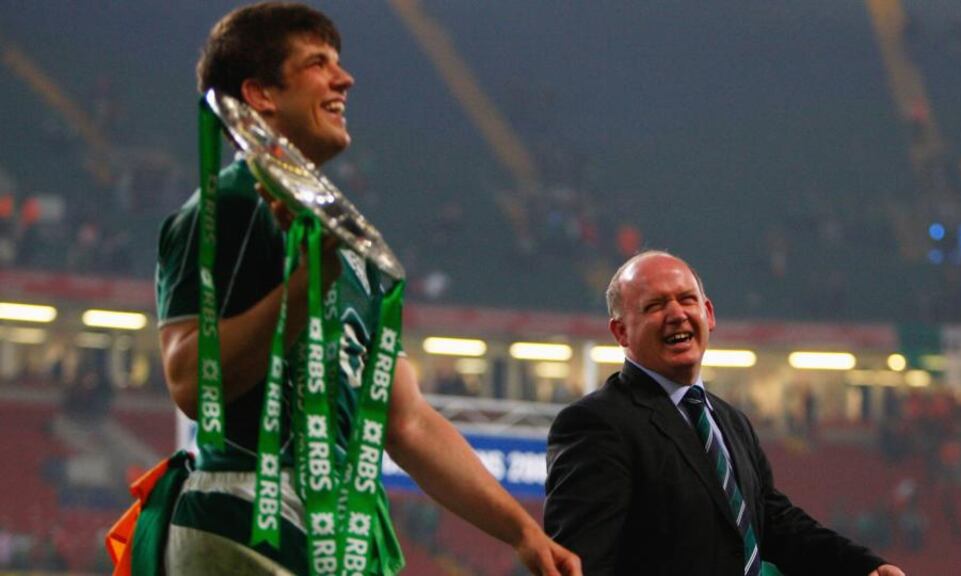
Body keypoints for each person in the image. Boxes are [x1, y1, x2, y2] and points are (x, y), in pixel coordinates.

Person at [156, 3, 580, 575]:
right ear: (260, 95)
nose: (345, 78)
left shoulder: (350, 246)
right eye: (317, 63)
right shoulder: (229, 204)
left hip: (328, 529)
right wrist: (306, 289)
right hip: (247, 516)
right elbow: (188, 378)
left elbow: (407, 422)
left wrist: (521, 530)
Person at [544, 250, 904, 576]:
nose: (676, 314)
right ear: (620, 332)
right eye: (654, 306)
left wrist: (862, 567)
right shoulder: (596, 424)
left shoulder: (729, 421)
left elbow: (771, 519)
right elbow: (581, 564)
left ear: (709, 314)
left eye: (687, 299)